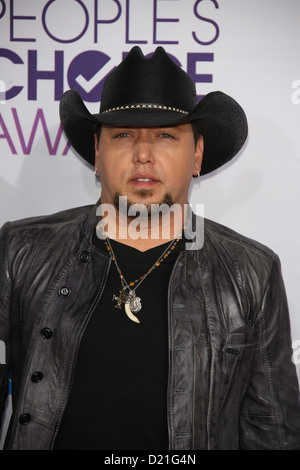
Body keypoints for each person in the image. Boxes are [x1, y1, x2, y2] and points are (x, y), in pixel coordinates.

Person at [0, 46, 299, 450]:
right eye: (123, 135)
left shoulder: (252, 272)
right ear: (97, 152)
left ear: (196, 154)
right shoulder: (20, 251)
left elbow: (272, 429)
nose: (143, 155)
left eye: (165, 136)